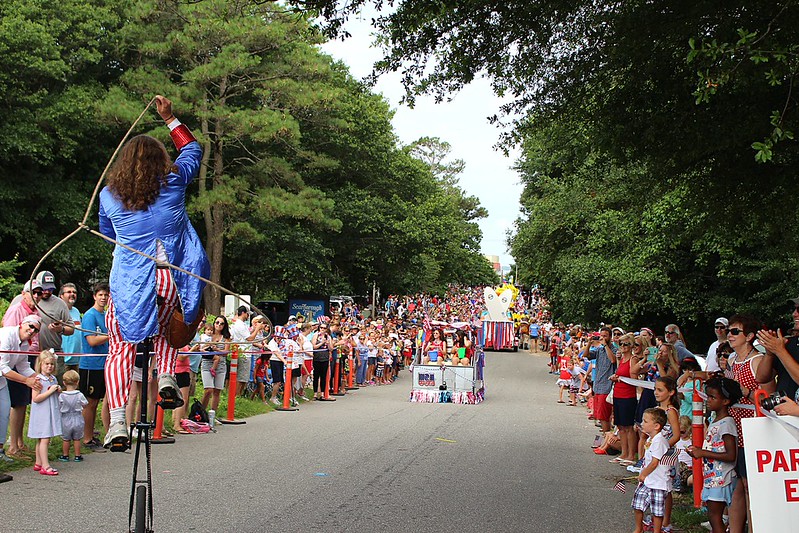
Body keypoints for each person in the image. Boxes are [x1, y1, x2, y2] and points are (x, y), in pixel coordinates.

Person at [99, 95, 209, 451]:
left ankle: (117, 421)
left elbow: (107, 233)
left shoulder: (108, 196)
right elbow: (193, 150)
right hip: (169, 276)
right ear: (162, 160)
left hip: (131, 282)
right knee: (164, 328)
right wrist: (170, 118)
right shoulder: (174, 182)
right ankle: (165, 375)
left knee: (120, 348)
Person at [688, 377, 741, 533]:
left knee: (715, 516)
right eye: (708, 396)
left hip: (722, 478)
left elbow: (731, 455)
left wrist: (702, 452)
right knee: (713, 516)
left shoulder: (727, 423)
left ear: (725, 401)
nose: (708, 400)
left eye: (712, 397)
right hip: (713, 477)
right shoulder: (715, 420)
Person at [1, 282, 42, 458]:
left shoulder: (26, 343)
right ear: (22, 324)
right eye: (30, 327)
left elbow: (24, 365)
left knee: (3, 413)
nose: (32, 331)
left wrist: (39, 378)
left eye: (35, 330)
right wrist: (27, 381)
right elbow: (3, 367)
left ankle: (1, 450)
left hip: (1, 380)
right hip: (2, 373)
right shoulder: (7, 335)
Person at [80, 282, 110, 452]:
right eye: (100, 295)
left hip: (104, 364)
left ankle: (93, 434)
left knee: (98, 401)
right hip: (91, 365)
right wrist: (110, 335)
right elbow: (91, 340)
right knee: (90, 403)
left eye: (106, 295)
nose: (103, 298)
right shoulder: (90, 316)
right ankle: (86, 438)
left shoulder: (105, 315)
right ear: (94, 296)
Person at [631, 407, 671, 533]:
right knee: (638, 504)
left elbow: (654, 463)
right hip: (649, 480)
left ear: (656, 426)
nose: (642, 424)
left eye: (645, 421)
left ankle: (657, 530)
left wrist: (643, 474)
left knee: (657, 510)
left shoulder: (659, 441)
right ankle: (639, 528)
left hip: (658, 482)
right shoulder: (650, 439)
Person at [28, 350, 62, 476]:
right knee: (44, 439)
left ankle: (38, 462)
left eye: (52, 364)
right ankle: (45, 465)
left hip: (50, 411)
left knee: (42, 439)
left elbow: (56, 392)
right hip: (42, 414)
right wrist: (49, 392)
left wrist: (58, 390)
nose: (49, 366)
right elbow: (36, 398)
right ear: (41, 365)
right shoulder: (38, 380)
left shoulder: (52, 378)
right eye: (47, 364)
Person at [609, 332, 639, 465]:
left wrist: (620, 379)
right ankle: (624, 453)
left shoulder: (633, 360)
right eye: (621, 344)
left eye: (626, 344)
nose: (623, 346)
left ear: (631, 345)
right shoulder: (621, 359)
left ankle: (631, 455)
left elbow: (634, 378)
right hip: (618, 394)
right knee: (620, 426)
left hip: (628, 395)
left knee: (628, 427)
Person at [586, 326, 616, 434]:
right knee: (599, 415)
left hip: (607, 386)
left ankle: (606, 436)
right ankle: (604, 436)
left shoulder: (613, 349)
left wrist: (605, 345)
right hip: (598, 385)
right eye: (601, 336)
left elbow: (613, 360)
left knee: (604, 415)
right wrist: (589, 343)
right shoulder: (599, 350)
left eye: (605, 336)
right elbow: (586, 355)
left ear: (610, 337)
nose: (602, 338)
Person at [58, 369, 88, 462]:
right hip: (77, 417)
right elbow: (85, 404)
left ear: (64, 382)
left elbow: (58, 406)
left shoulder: (61, 395)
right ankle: (77, 455)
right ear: (77, 382)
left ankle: (65, 455)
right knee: (77, 438)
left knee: (66, 439)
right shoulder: (79, 394)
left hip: (65, 418)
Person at [201, 317, 230, 412]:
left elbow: (226, 352)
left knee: (217, 391)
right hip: (207, 363)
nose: (219, 325)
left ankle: (212, 414)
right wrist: (209, 346)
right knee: (208, 389)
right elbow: (201, 348)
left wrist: (217, 349)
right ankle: (201, 412)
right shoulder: (207, 335)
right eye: (217, 322)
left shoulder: (226, 337)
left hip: (220, 365)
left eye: (222, 323)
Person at [59, 283, 82, 372]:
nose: (72, 294)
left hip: (77, 360)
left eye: (74, 292)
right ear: (61, 295)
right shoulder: (58, 311)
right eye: (68, 292)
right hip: (63, 360)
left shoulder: (76, 311)